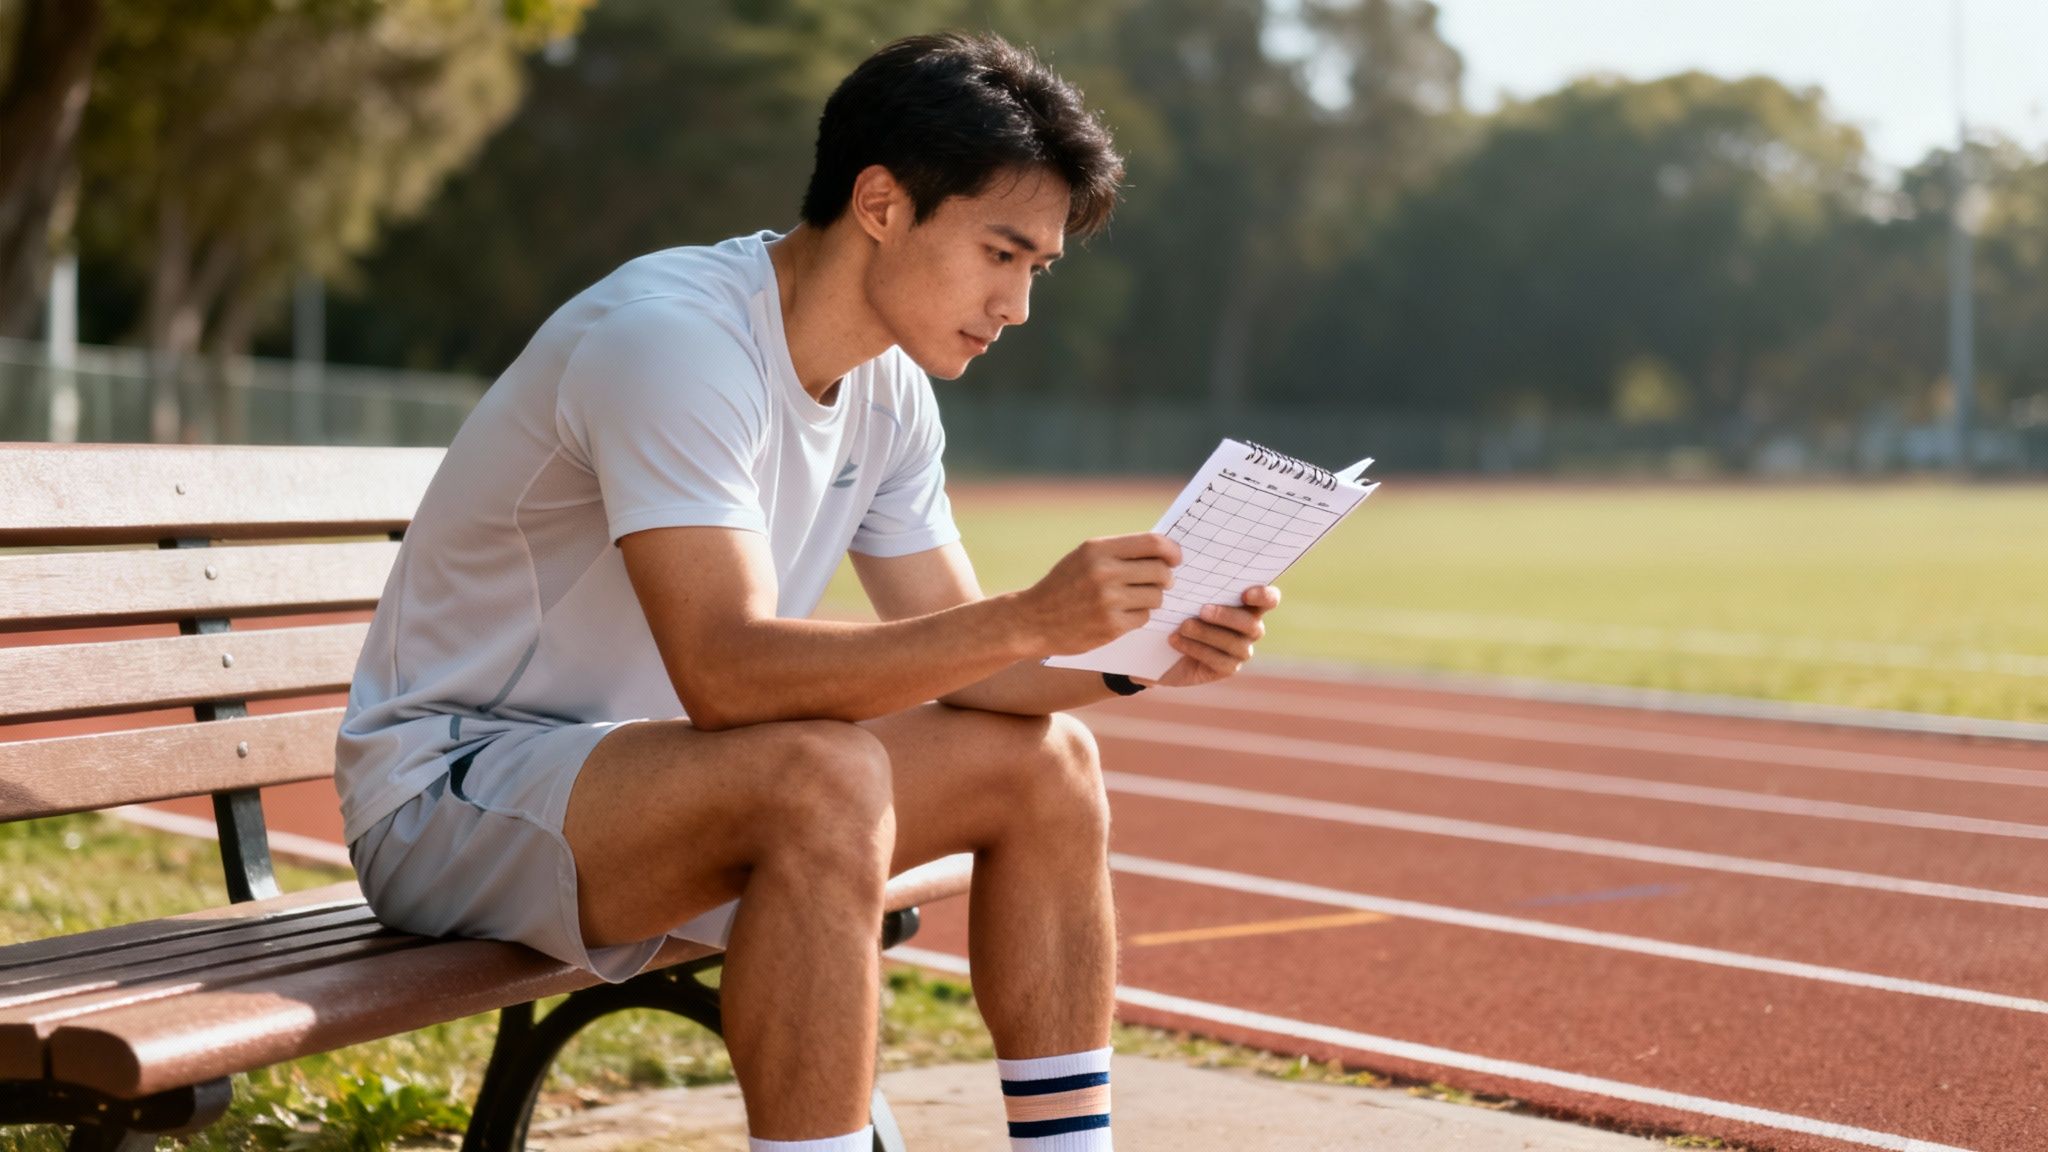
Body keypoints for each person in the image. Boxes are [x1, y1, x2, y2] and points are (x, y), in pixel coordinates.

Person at [335, 30, 1279, 1152]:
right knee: (817, 772)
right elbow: (729, 673)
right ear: (880, 202)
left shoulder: (889, 392)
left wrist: (1139, 648)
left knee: (1046, 767)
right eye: (1000, 252)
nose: (1017, 304)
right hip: (451, 791)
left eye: (1037, 269)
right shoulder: (673, 342)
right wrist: (1031, 614)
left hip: (661, 775)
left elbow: (980, 671)